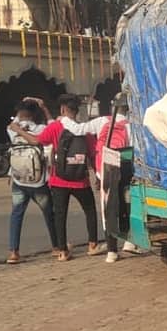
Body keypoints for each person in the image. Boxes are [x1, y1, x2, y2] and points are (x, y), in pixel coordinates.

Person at [10, 94, 100, 261]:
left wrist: (19, 131)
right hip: (81, 180)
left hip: (59, 180)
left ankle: (62, 251)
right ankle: (93, 245)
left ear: (62, 109)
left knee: (60, 214)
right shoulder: (84, 128)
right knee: (89, 211)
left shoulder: (55, 127)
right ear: (76, 109)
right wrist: (98, 176)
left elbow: (37, 141)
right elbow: (93, 153)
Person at [59, 92, 138, 263]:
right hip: (124, 171)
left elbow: (78, 129)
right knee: (125, 207)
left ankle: (112, 251)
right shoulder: (131, 126)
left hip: (105, 170)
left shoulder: (102, 121)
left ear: (113, 107)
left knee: (108, 210)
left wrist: (63, 119)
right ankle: (129, 242)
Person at [5, 99, 57, 264]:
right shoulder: (41, 129)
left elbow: (15, 121)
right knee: (49, 214)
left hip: (19, 179)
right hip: (38, 181)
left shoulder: (12, 130)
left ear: (19, 113)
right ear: (35, 114)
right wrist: (44, 107)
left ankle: (14, 252)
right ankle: (56, 246)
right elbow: (53, 124)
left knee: (16, 214)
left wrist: (18, 122)